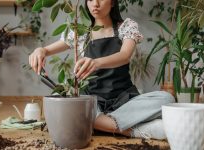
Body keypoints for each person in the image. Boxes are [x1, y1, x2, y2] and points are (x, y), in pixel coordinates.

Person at [29, 0, 175, 140]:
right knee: (70, 106)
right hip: (92, 103)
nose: (95, 4)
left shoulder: (126, 27)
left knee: (167, 98)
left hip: (124, 100)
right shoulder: (80, 33)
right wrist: (40, 50)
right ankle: (132, 130)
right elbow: (46, 50)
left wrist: (96, 62)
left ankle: (99, 124)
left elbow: (124, 56)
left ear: (112, 2)